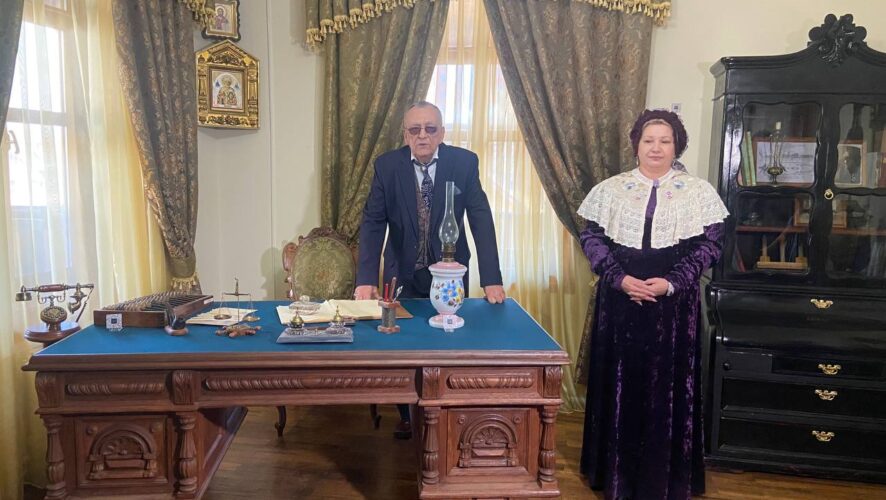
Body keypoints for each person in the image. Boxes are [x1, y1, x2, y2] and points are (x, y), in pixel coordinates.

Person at [577, 109, 728, 500]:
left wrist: (672, 283)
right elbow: (591, 239)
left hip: (673, 309)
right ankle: (615, 475)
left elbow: (710, 246)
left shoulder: (699, 192)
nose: (656, 148)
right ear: (637, 145)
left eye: (665, 140)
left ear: (677, 146)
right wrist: (619, 278)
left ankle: (664, 479)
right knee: (620, 388)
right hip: (620, 303)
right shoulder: (611, 189)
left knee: (667, 391)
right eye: (649, 140)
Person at [355, 101, 507, 438]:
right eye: (415, 129)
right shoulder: (387, 166)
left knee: (447, 341)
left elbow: (480, 218)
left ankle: (444, 414)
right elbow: (373, 222)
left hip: (449, 273)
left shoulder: (464, 163)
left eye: (430, 128)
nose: (422, 135)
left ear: (442, 132)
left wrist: (491, 278)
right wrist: (365, 279)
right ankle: (408, 415)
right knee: (402, 345)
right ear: (405, 134)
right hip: (401, 271)